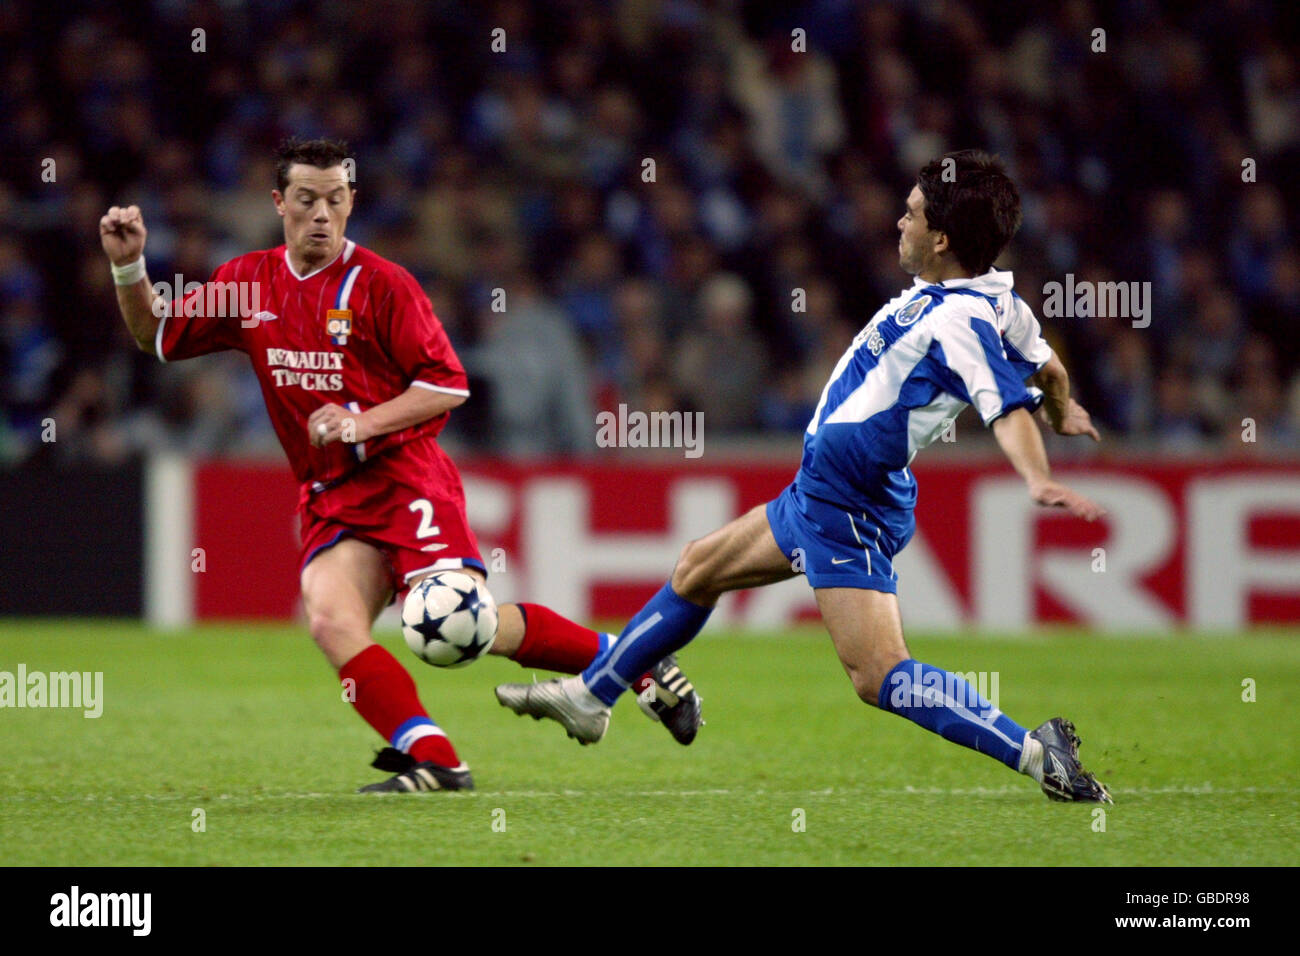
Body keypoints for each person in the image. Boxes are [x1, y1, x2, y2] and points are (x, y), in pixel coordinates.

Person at [497, 150, 1113, 803]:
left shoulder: (961, 323)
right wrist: (1062, 409)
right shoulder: (993, 301)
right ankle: (594, 697)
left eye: (910, 215)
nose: (897, 224)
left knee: (880, 676)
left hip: (848, 503)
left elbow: (1005, 408)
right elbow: (1046, 370)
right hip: (820, 490)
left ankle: (1038, 755)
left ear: (941, 238)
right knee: (696, 568)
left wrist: (1037, 473)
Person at [99, 137, 701, 794]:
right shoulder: (246, 283)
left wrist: (362, 421)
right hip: (330, 493)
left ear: (352, 202)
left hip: (406, 478)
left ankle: (631, 660)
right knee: (330, 621)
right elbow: (154, 333)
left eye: (336, 199)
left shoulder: (384, 285)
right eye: (307, 200)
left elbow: (447, 384)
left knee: (458, 629)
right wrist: (130, 268)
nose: (322, 215)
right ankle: (439, 760)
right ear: (279, 204)